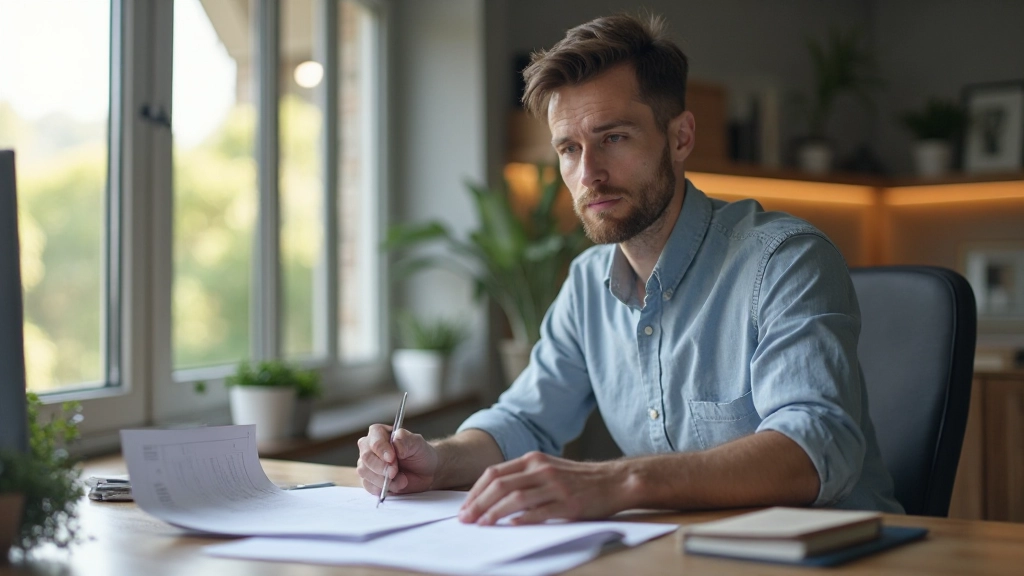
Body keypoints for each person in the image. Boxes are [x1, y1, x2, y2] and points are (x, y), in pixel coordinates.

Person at [357, 13, 903, 524]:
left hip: (839, 556)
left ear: (680, 137)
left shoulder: (785, 261)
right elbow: (524, 420)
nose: (588, 174)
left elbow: (813, 449)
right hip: (683, 553)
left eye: (613, 138)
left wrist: (618, 482)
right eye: (569, 149)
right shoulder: (586, 286)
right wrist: (437, 460)